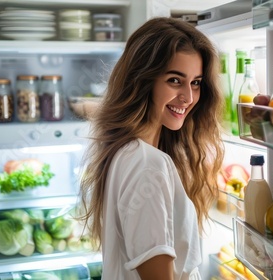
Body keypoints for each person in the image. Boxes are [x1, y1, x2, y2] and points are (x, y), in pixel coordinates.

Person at [78, 17, 225, 279]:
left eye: (196, 82)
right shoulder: (149, 165)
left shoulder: (126, 151)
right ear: (143, 80)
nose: (188, 98)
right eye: (175, 80)